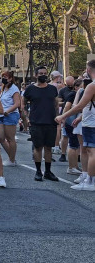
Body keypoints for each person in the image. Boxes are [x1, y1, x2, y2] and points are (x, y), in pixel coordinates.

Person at [56, 61, 95, 191]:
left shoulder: (91, 86)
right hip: (89, 120)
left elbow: (79, 106)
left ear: (89, 70)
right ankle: (88, 178)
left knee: (91, 151)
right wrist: (79, 118)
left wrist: (63, 116)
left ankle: (90, 181)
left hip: (91, 123)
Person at [24, 66, 59, 182]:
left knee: (48, 148)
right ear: (36, 75)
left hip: (50, 122)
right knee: (38, 147)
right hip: (36, 122)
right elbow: (23, 105)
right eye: (40, 73)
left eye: (45, 73)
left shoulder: (53, 89)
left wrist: (58, 117)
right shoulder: (30, 89)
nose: (43, 75)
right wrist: (26, 118)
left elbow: (56, 103)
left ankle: (48, 172)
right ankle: (38, 171)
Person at [0, 71, 20, 167]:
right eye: (3, 76)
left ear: (11, 78)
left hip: (10, 115)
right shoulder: (4, 88)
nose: (4, 78)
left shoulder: (14, 89)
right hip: (1, 115)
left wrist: (8, 111)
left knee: (10, 138)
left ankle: (12, 159)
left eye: (6, 77)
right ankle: (11, 157)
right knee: (1, 138)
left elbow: (17, 103)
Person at [59, 79, 82, 174]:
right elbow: (66, 106)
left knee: (76, 145)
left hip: (72, 120)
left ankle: (75, 166)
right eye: (81, 86)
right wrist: (64, 118)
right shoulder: (73, 95)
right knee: (73, 144)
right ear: (76, 87)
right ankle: (71, 167)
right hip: (70, 121)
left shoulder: (78, 94)